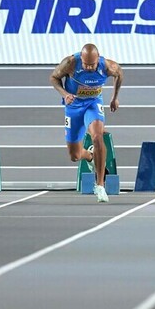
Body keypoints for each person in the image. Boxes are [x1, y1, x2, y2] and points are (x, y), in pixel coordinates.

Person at [50, 44, 123, 203]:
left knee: (97, 137)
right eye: (86, 64)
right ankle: (90, 156)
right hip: (73, 107)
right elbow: (54, 78)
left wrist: (114, 98)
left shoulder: (108, 66)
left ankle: (100, 185)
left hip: (93, 104)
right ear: (81, 59)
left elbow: (119, 75)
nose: (89, 67)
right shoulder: (70, 63)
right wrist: (65, 94)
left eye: (93, 64)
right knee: (74, 156)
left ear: (98, 59)